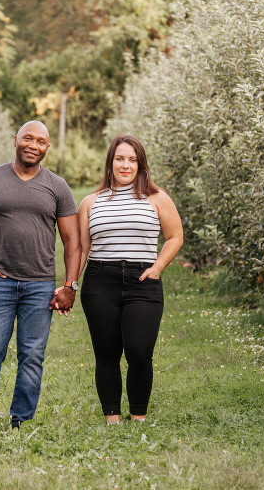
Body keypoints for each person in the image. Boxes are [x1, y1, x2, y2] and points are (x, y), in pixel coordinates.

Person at [0, 120, 81, 437]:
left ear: (47, 147)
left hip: (40, 286)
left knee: (32, 357)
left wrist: (70, 286)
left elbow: (73, 241)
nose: (33, 145)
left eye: (40, 141)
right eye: (28, 138)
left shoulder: (58, 187)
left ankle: (20, 421)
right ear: (16, 140)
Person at [75, 134, 183, 425]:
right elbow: (82, 249)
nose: (126, 165)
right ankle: (112, 419)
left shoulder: (157, 198)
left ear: (141, 164)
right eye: (120, 158)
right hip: (100, 281)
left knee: (140, 352)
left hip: (143, 281)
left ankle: (139, 417)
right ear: (110, 162)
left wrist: (158, 266)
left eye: (132, 159)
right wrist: (70, 284)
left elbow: (175, 236)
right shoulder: (90, 202)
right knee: (106, 354)